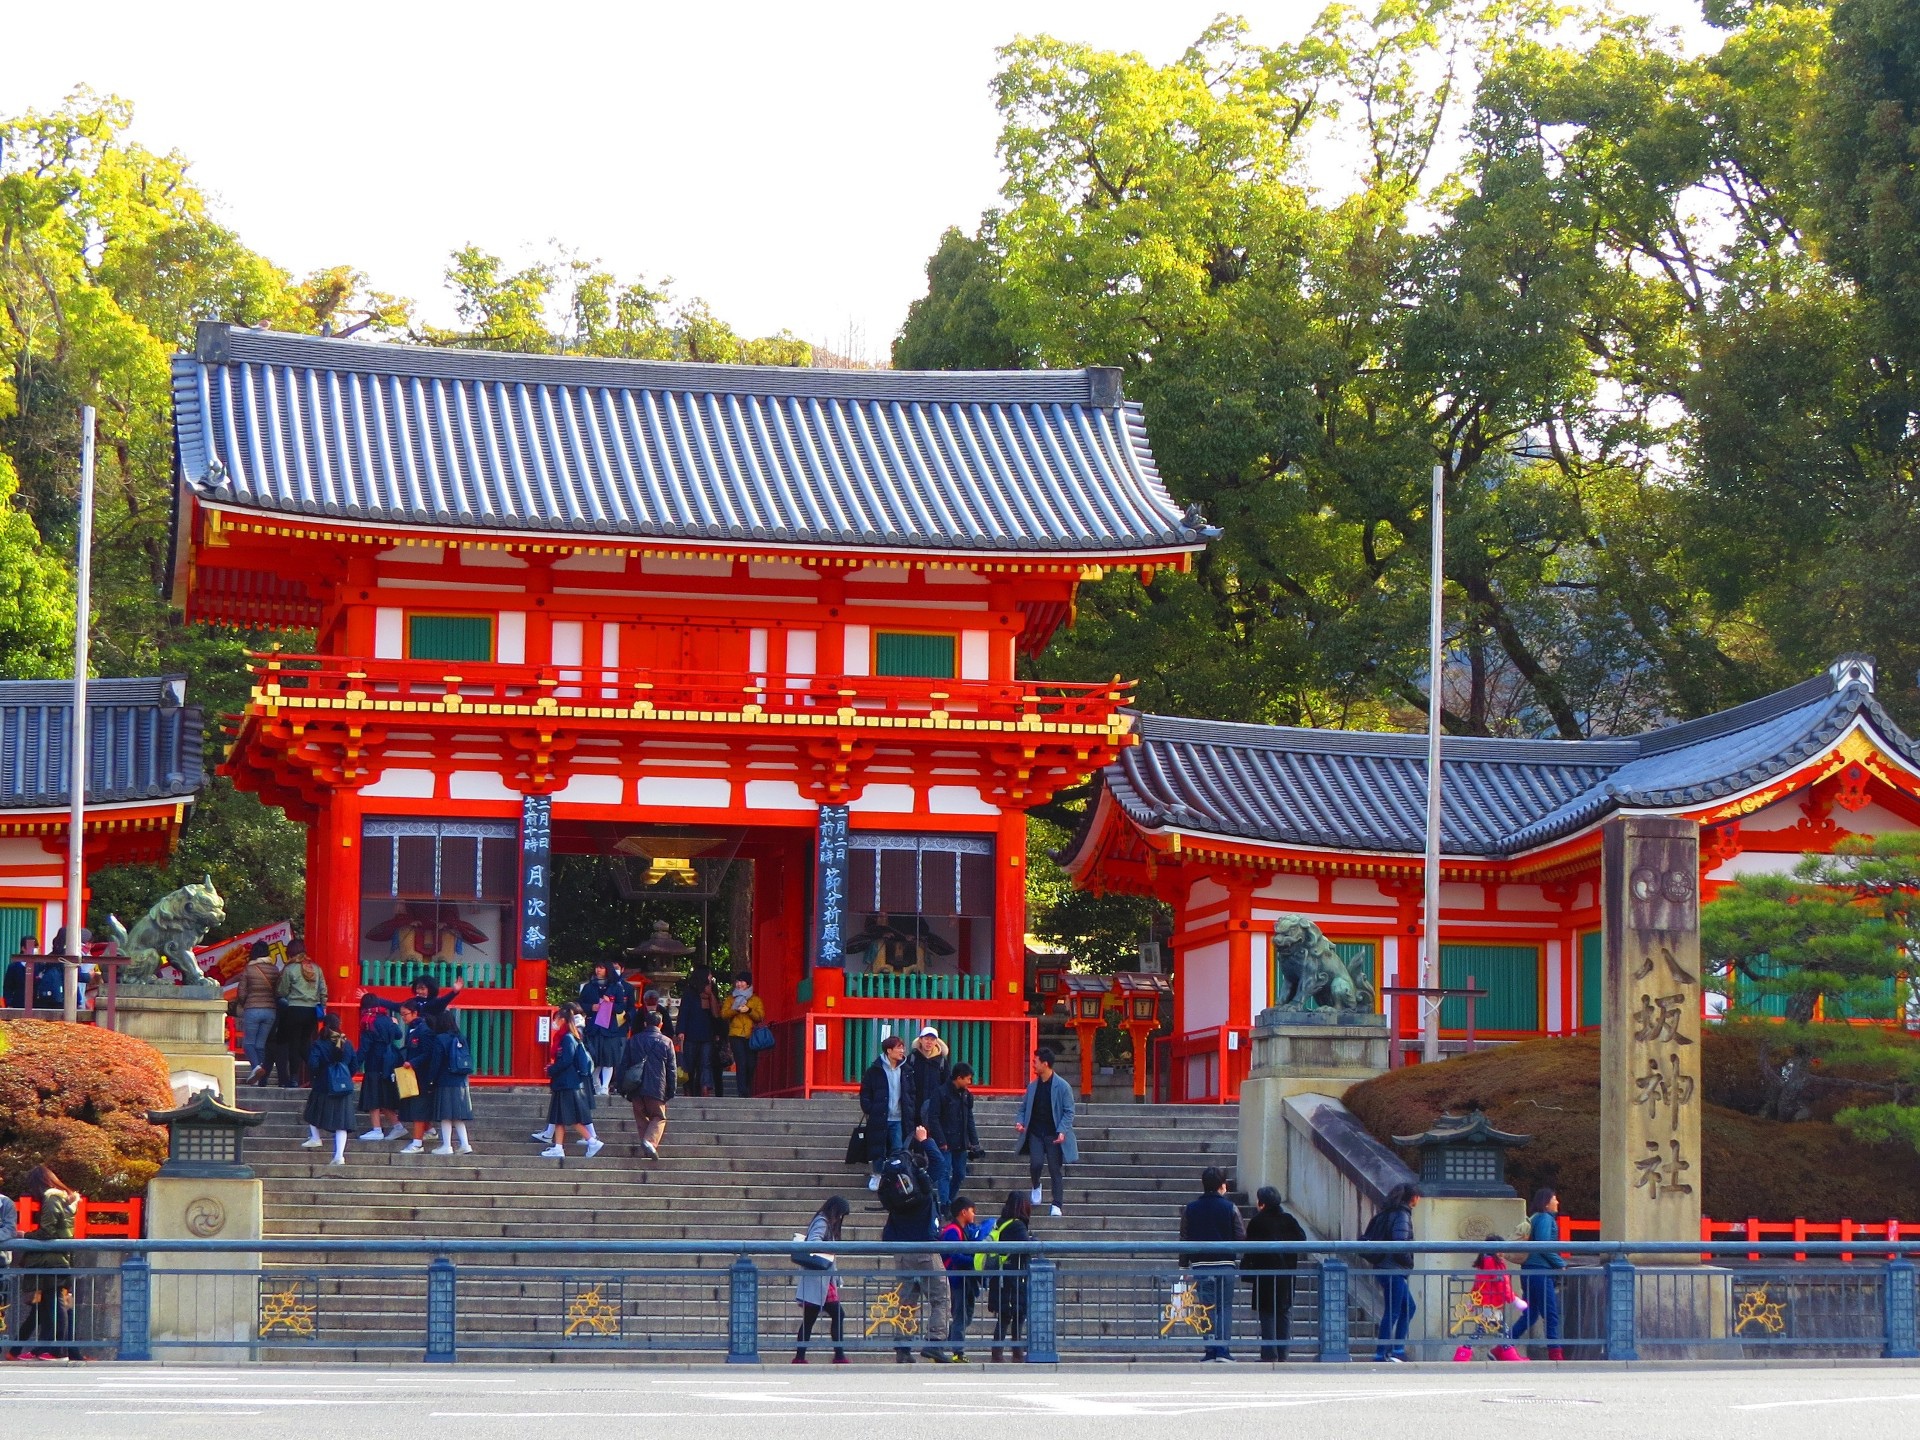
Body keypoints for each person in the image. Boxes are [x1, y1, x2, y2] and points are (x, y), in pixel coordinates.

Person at [878, 1145, 952, 1362]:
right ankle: (935, 1342)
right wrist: (926, 1140)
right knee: (941, 1297)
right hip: (925, 1250)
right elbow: (940, 1164)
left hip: (901, 1251)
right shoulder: (923, 1187)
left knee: (907, 1299)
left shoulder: (896, 1195)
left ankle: (903, 1347)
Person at [9, 1166, 76, 1360]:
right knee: (49, 1305)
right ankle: (47, 1348)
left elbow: (47, 1232)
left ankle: (56, 1349)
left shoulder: (51, 1198)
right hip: (57, 1258)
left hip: (51, 1260)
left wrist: (25, 1235)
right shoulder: (62, 1198)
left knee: (54, 1304)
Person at [1181, 1166, 1246, 1362]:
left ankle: (1210, 1350)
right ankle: (1223, 1351)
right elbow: (1241, 1235)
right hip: (1225, 1264)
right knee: (1224, 1308)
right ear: (1222, 1185)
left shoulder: (1190, 1209)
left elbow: (1184, 1238)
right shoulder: (1230, 1208)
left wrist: (1184, 1266)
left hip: (1201, 1265)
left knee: (1206, 1308)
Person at [1243, 1186, 1306, 1361]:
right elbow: (1302, 1240)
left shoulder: (1257, 1222)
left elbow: (1249, 1247)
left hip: (1264, 1276)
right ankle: (1283, 1353)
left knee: (1267, 1314)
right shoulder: (1288, 1219)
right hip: (1286, 1275)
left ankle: (1269, 1354)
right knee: (1284, 1312)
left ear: (1261, 1202)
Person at [1014, 1047, 1077, 1217]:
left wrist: (1062, 1130)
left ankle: (1057, 1203)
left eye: (1035, 1062)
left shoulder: (1063, 1086)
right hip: (1035, 1132)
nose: (1033, 1065)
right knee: (1035, 1163)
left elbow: (1069, 1111)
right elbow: (1023, 1108)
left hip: (1054, 1133)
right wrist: (1019, 1122)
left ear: (1045, 1064)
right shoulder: (1033, 1087)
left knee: (1055, 1169)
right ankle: (1036, 1185)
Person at [534, 1004, 603, 1158]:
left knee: (569, 1117)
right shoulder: (572, 1037)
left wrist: (552, 1069)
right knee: (560, 1117)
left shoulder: (567, 1038)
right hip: (567, 1083)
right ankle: (558, 1147)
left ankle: (592, 1141)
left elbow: (566, 1060)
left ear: (563, 1020)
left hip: (567, 1083)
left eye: (557, 1019)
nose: (555, 1022)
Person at [792, 1195, 851, 1365]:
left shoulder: (823, 1221)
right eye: (840, 1214)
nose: (840, 1218)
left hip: (821, 1279)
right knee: (836, 1315)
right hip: (819, 1279)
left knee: (811, 1319)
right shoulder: (822, 1222)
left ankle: (801, 1357)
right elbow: (813, 1242)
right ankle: (838, 1355)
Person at [1511, 1186, 1566, 1361]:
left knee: (1531, 1313)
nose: (1557, 1202)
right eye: (1554, 1198)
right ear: (1546, 1203)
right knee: (1550, 1314)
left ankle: (1503, 1345)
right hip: (1540, 1272)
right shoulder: (1545, 1218)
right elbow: (1544, 1245)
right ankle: (1555, 1354)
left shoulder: (1536, 1218)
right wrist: (1560, 1263)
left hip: (1530, 1271)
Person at [1367, 1182, 1419, 1362]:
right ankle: (1386, 1352)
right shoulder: (1401, 1215)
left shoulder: (1387, 1213)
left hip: (1386, 1267)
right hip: (1392, 1269)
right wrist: (1409, 1261)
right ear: (1413, 1198)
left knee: (1407, 1307)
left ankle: (1394, 1349)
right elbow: (1400, 1243)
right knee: (1395, 1311)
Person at [1455, 1239, 1528, 1362]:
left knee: (1488, 1330)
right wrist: (1513, 1299)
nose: (1502, 1253)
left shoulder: (1484, 1262)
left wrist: (1472, 1301)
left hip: (1487, 1304)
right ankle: (1507, 1355)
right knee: (1500, 1330)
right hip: (1490, 1305)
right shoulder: (1493, 1264)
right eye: (1500, 1249)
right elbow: (1502, 1284)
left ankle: (1465, 1353)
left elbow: (1478, 1285)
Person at [618, 1009, 676, 1160]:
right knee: (658, 1116)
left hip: (635, 1086)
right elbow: (671, 1069)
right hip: (657, 1086)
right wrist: (671, 1090)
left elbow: (623, 1064)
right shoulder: (666, 1042)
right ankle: (649, 1142)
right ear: (661, 1024)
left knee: (641, 1118)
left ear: (645, 1024)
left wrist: (620, 1086)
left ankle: (647, 1148)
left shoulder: (634, 1040)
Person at [302, 1013, 359, 1166]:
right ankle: (339, 1156)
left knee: (312, 1111)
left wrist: (319, 1074)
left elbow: (312, 1064)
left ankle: (315, 1138)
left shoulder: (319, 1043)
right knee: (342, 1123)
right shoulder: (347, 1043)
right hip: (343, 1087)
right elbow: (354, 1065)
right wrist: (344, 1076)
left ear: (324, 1025)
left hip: (323, 1084)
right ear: (339, 1024)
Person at [926, 1062, 982, 1216]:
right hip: (945, 1141)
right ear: (959, 1078)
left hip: (961, 1142)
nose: (969, 1082)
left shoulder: (966, 1095)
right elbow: (934, 1118)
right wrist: (941, 1140)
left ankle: (949, 1200)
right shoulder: (940, 1093)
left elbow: (969, 1118)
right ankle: (945, 1204)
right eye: (968, 1079)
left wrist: (974, 1141)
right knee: (944, 1172)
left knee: (960, 1174)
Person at [274, 940, 328, 1088]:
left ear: (290, 953)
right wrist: (322, 1006)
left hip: (294, 1010)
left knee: (294, 1045)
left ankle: (294, 1079)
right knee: (306, 1044)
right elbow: (323, 990)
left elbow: (282, 991)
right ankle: (317, 1073)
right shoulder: (316, 969)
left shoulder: (290, 969)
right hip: (311, 1011)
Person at [939, 1195, 987, 1360]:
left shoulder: (962, 1230)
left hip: (965, 1281)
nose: (974, 1215)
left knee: (966, 1316)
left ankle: (939, 1343)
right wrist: (976, 1262)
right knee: (960, 1316)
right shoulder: (952, 1231)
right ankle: (957, 1352)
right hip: (956, 1281)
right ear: (963, 1212)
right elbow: (955, 1257)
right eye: (972, 1211)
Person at [986, 1191, 1032, 1362]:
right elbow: (1026, 1247)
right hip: (1014, 1279)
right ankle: (1015, 1352)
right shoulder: (1017, 1225)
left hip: (1002, 1277)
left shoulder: (1001, 1223)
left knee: (1005, 1315)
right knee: (1016, 1314)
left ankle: (999, 1353)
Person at [578, 957, 634, 1098]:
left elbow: (622, 1007)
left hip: (610, 1028)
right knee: (595, 1058)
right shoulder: (588, 987)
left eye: (601, 968)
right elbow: (580, 1004)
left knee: (608, 1059)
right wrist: (591, 1007)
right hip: (593, 1027)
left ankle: (604, 1087)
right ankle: (596, 1085)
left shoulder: (616, 987)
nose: (598, 970)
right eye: (597, 967)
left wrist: (610, 1005)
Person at [859, 1035, 909, 1190]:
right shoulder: (875, 1070)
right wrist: (871, 1109)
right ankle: (877, 1174)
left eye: (902, 1047)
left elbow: (911, 1092)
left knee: (897, 1148)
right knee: (878, 1147)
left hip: (899, 1116)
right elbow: (865, 1093)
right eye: (898, 1047)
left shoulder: (906, 1069)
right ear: (889, 1050)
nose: (902, 1051)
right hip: (880, 1115)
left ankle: (894, 1177)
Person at [356, 995, 407, 1141]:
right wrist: (394, 1024)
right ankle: (397, 1126)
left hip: (374, 1062)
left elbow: (364, 1048)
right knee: (383, 1096)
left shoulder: (368, 1021)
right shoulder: (386, 1019)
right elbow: (398, 1035)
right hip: (388, 1062)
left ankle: (377, 1129)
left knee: (373, 1096)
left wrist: (354, 1066)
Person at [427, 1009, 476, 1156]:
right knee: (457, 1116)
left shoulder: (440, 1039)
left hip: (445, 1080)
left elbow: (436, 1062)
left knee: (445, 1114)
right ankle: (465, 1144)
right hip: (461, 1081)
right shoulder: (461, 1037)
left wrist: (430, 1080)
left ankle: (447, 1145)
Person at [234, 940, 281, 1084]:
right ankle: (260, 1078)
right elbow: (279, 990)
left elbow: (241, 992)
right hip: (270, 1011)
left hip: (253, 1009)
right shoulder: (274, 970)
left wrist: (245, 1003)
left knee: (248, 1043)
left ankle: (256, 1068)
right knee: (260, 1045)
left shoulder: (249, 969)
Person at [396, 999, 438, 1153]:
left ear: (415, 1013)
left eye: (405, 1014)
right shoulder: (412, 1030)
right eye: (401, 1015)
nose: (403, 1018)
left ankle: (417, 1143)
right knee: (415, 1107)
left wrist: (413, 1062)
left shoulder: (424, 1031)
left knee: (419, 1109)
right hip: (412, 1074)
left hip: (422, 1075)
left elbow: (428, 1053)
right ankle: (430, 1131)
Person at [675, 963, 721, 1097]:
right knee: (689, 1064)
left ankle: (705, 1088)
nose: (711, 977)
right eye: (709, 974)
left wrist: (717, 1032)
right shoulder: (690, 993)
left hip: (707, 1034)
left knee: (705, 1063)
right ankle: (688, 1089)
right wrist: (681, 1031)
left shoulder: (711, 992)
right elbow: (684, 1012)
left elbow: (716, 1015)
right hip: (691, 1034)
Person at [722, 973, 765, 1096]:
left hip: (751, 1035)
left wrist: (749, 1010)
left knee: (751, 1063)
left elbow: (760, 1016)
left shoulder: (755, 999)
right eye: (737, 982)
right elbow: (724, 1014)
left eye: (742, 982)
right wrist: (735, 1010)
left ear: (748, 984)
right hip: (736, 1035)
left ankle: (747, 1087)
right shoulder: (731, 999)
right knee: (741, 1062)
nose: (739, 984)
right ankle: (742, 1091)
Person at [1, 935, 32, 1009]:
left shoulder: (39, 966)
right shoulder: (13, 967)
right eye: (32, 947)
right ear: (23, 948)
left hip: (34, 1006)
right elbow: (7, 987)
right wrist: (9, 1003)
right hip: (17, 1005)